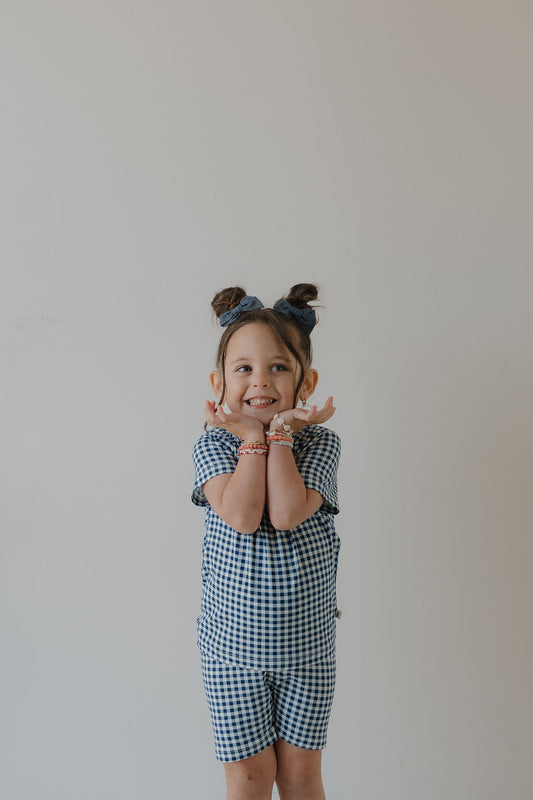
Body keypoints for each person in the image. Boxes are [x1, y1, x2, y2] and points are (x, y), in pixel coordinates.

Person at [192, 283, 341, 800]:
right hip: (232, 652)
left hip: (307, 652)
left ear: (306, 381)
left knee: (300, 778)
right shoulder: (213, 444)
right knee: (248, 778)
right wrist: (253, 439)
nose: (261, 381)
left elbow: (286, 511)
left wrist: (279, 435)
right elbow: (242, 515)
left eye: (279, 367)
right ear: (219, 382)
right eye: (244, 368)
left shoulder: (320, 443)